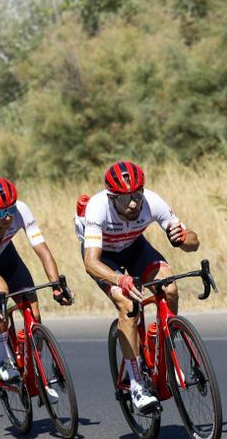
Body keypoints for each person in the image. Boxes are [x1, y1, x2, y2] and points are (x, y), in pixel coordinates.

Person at [80, 161, 198, 412]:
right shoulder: (97, 208)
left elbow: (193, 242)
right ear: (112, 198)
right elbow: (90, 262)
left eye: (137, 194)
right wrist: (119, 279)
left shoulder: (152, 201)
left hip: (135, 248)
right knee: (128, 304)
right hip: (105, 257)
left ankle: (162, 340)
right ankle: (136, 382)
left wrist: (183, 238)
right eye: (125, 198)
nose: (133, 203)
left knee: (170, 288)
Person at [0, 176, 73, 384]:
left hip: (5, 252)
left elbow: (43, 251)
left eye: (10, 210)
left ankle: (34, 367)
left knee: (34, 313)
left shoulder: (21, 209)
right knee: (0, 294)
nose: (7, 217)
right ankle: (3, 357)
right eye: (1, 213)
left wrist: (57, 285)